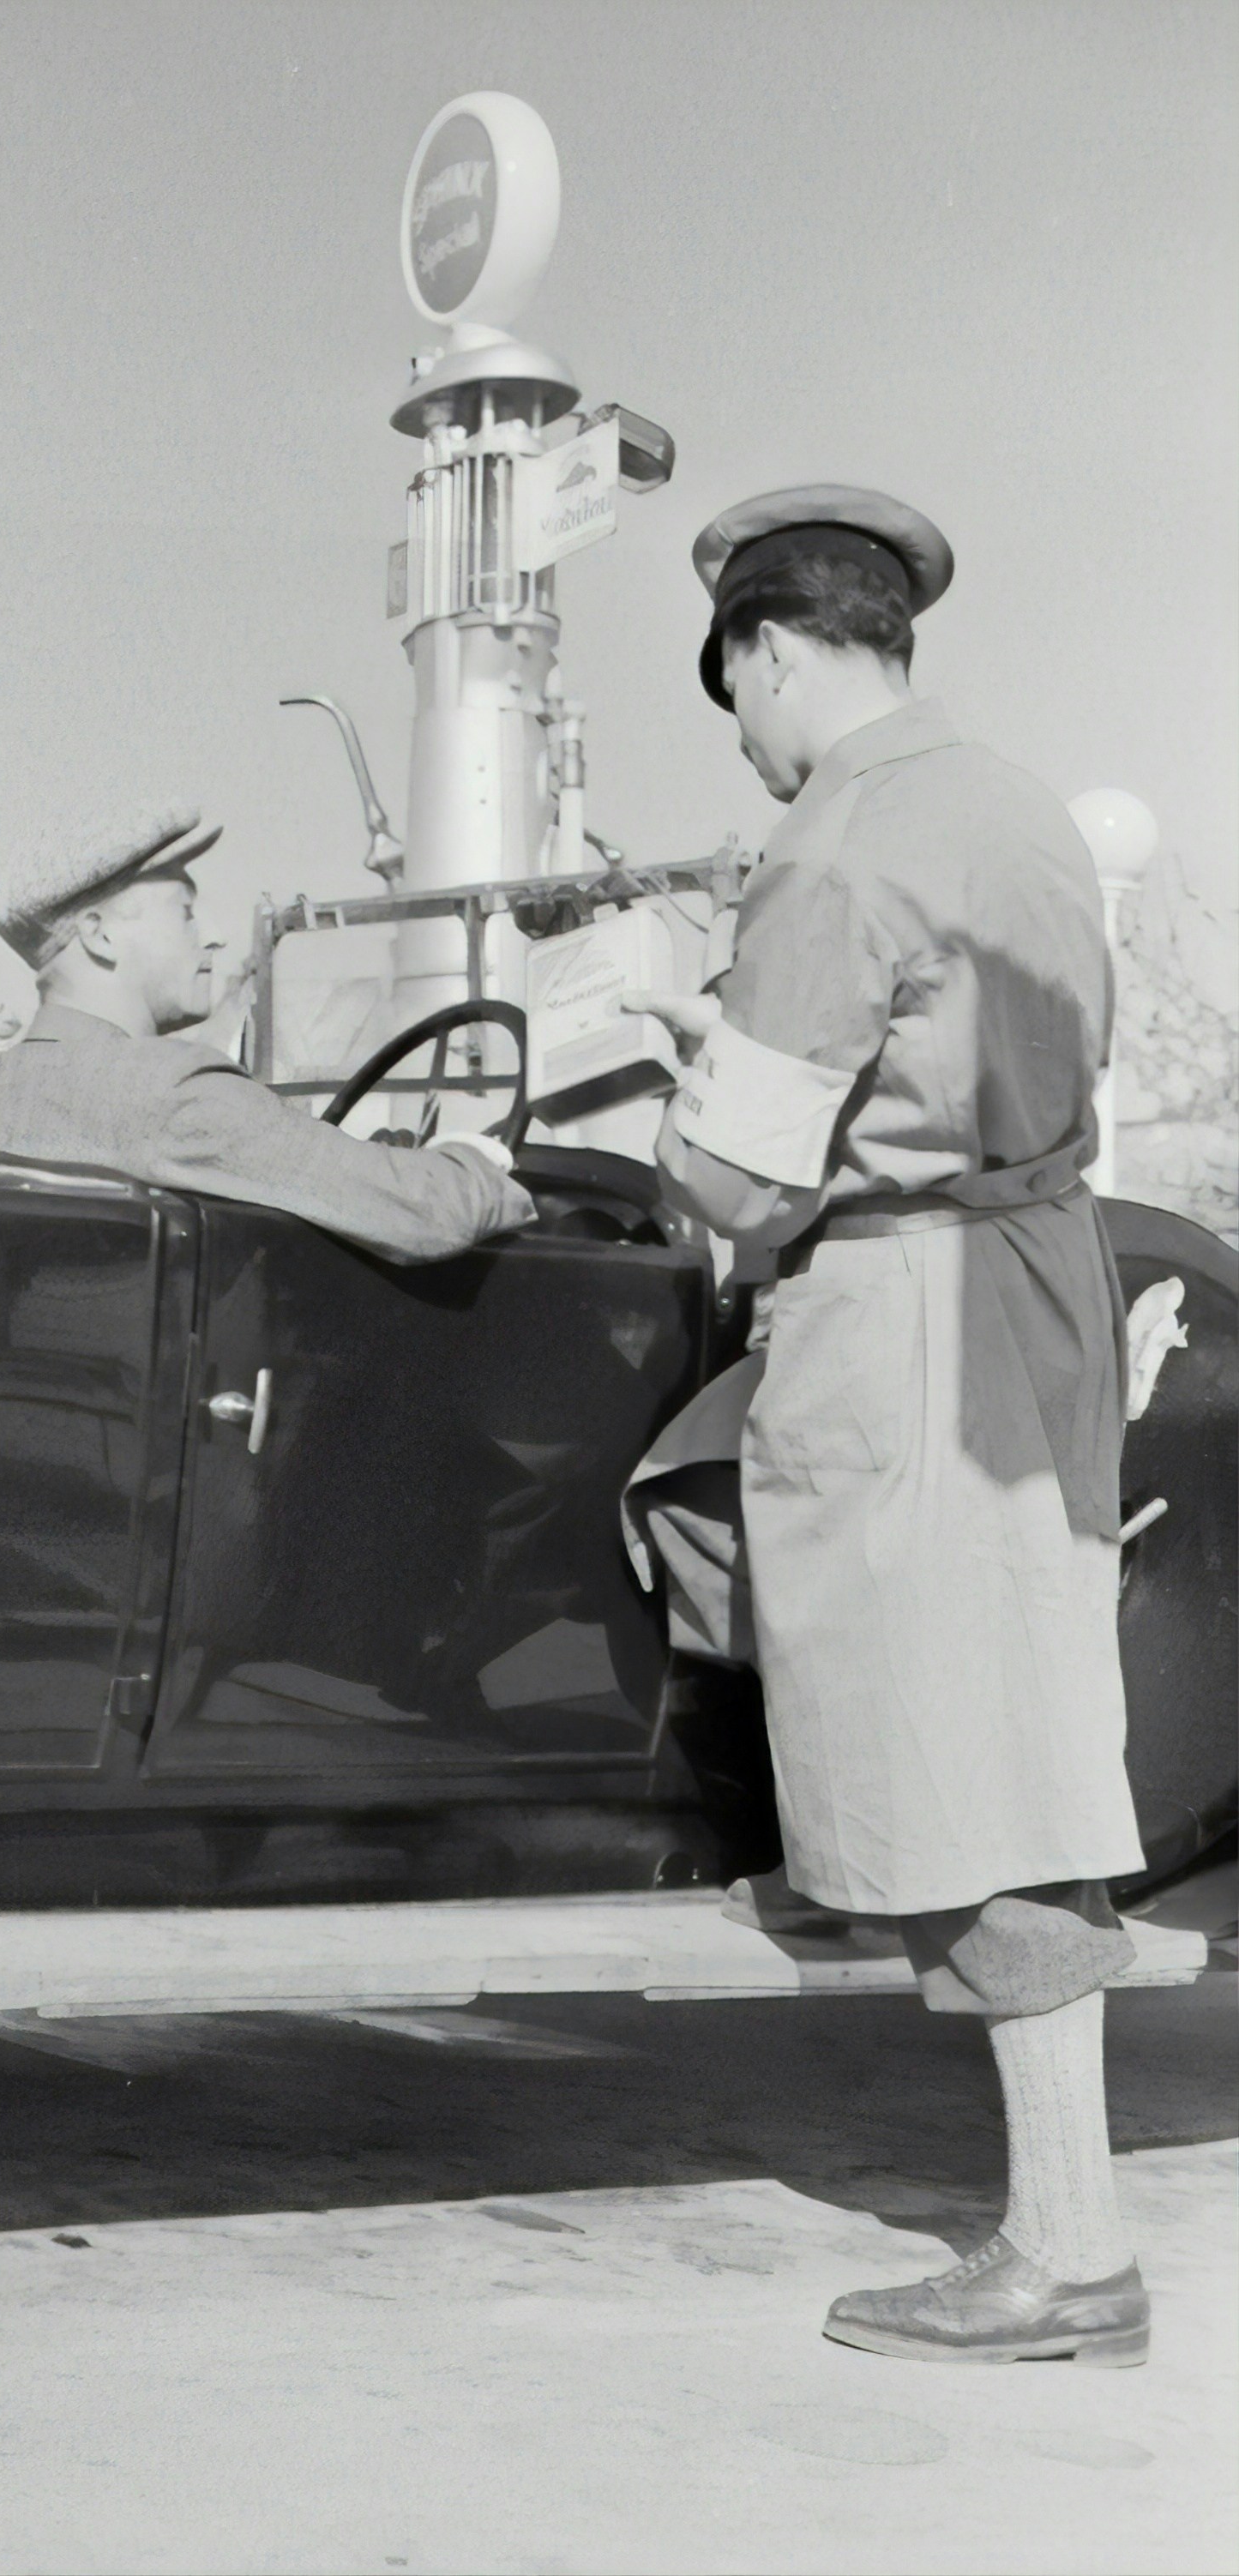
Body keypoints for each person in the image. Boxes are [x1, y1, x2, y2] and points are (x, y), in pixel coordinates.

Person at [624, 486, 1150, 2367]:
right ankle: (1065, 2223)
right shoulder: (1008, 802)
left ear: (764, 650)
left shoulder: (834, 840)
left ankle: (1066, 2245)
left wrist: (663, 1078)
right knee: (1017, 1725)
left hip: (903, 1314)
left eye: (734, 699)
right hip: (1036, 1280)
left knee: (960, 1760)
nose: (751, 747)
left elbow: (740, 1188)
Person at [0, 806, 534, 1262]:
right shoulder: (169, 1088)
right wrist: (479, 1161)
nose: (213, 934)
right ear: (99, 936)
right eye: (184, 911)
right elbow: (426, 1214)